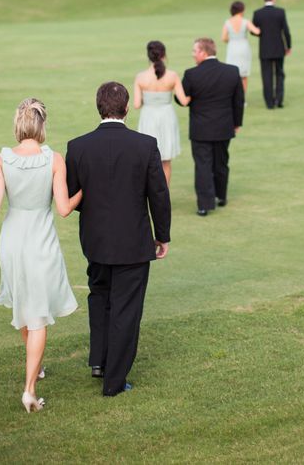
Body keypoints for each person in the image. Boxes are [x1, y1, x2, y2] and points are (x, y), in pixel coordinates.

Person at [66, 82, 171, 397]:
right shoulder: (145, 145)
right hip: (133, 243)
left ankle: (100, 361)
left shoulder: (78, 146)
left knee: (100, 299)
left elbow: (74, 196)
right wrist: (162, 236)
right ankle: (113, 382)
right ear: (126, 108)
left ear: (99, 107)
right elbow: (159, 195)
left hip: (95, 241)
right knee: (125, 309)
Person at [0, 98, 81, 413]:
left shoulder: (2, 159)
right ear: (41, 126)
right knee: (37, 315)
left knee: (25, 305)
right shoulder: (54, 159)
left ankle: (35, 368)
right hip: (40, 240)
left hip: (12, 241)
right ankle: (29, 391)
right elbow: (64, 209)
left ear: (18, 125)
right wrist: (84, 190)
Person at [179, 37, 244, 216]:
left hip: (201, 128)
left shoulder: (192, 74)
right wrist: (237, 123)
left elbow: (181, 99)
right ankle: (221, 196)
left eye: (194, 51)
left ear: (203, 52)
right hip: (224, 127)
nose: (193, 55)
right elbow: (238, 100)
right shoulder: (232, 71)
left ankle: (204, 205)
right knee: (221, 162)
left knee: (203, 165)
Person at [134, 40, 189, 186]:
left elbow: (137, 104)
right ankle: (163, 197)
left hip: (149, 117)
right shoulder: (172, 75)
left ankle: (148, 196)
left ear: (149, 56)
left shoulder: (141, 77)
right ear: (164, 55)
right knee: (165, 161)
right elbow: (184, 101)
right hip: (167, 116)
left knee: (148, 159)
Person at [252, 0, 292, 109]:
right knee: (279, 74)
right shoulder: (280, 12)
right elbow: (286, 31)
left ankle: (269, 103)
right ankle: (278, 101)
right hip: (279, 48)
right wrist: (288, 46)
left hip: (264, 49)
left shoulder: (258, 13)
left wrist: (262, 35)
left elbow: (254, 30)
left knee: (266, 76)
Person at [221, 1, 260, 95]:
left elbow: (224, 38)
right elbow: (257, 31)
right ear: (241, 10)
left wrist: (231, 40)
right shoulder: (245, 21)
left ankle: (232, 96)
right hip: (243, 47)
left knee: (232, 73)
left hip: (232, 47)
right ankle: (242, 99)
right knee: (244, 75)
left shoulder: (228, 22)